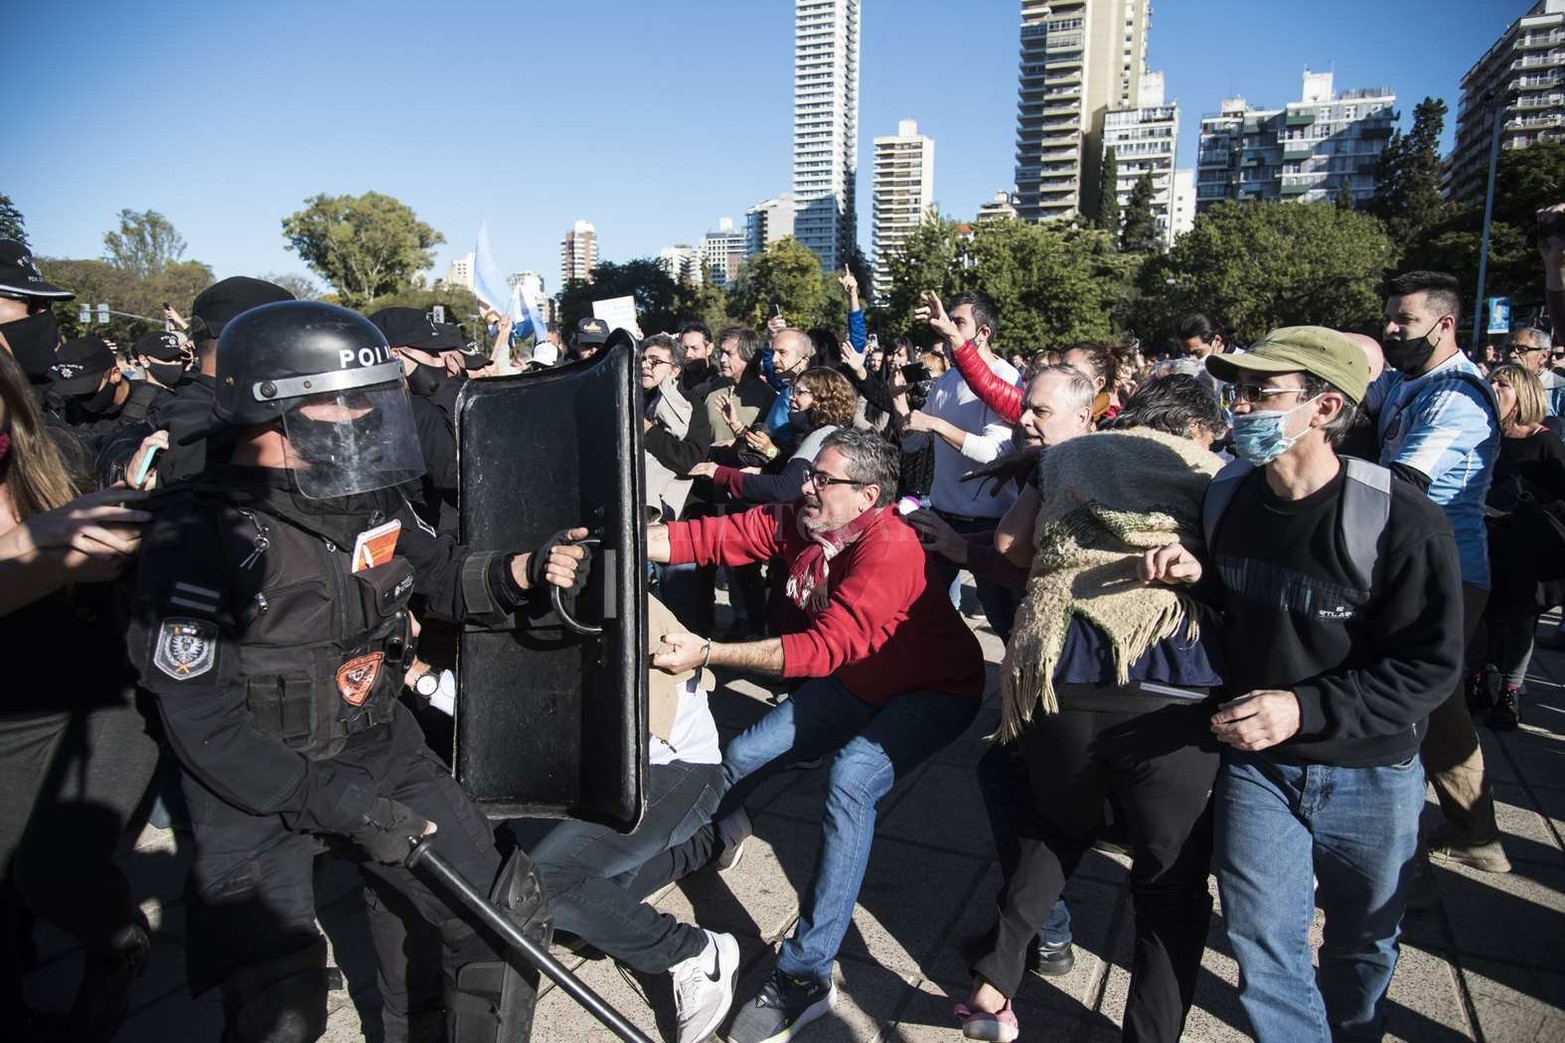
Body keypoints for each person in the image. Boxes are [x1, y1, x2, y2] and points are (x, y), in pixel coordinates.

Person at [123, 300, 588, 1043]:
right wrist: (340, 807)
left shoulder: (369, 496)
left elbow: (437, 573)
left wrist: (520, 571)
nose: (365, 415)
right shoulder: (195, 533)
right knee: (280, 1005)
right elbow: (201, 721)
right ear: (275, 409)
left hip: (375, 739)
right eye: (345, 398)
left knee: (495, 915)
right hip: (255, 777)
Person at [1143, 326, 1463, 1043]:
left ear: (1323, 408)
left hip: (1370, 771)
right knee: (1261, 945)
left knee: (1362, 941)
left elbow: (1430, 667)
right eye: (1237, 390)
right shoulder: (1225, 495)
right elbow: (1232, 614)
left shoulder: (1402, 520)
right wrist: (1200, 579)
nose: (1240, 407)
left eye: (1261, 392)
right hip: (1258, 767)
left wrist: (1302, 706)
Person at [646, 429, 987, 1043]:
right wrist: (619, 542)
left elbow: (826, 648)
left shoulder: (890, 547)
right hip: (863, 675)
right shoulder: (806, 522)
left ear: (867, 495)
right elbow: (713, 536)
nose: (806, 485)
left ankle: (804, 973)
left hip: (935, 688)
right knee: (744, 753)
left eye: (822, 480)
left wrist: (712, 652)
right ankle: (690, 840)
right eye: (811, 475)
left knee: (851, 777)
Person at [953, 375, 1226, 1043]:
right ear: (1196, 429)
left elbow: (1013, 547)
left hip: (1060, 668)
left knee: (1055, 821)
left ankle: (995, 980)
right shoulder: (1215, 470)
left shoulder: (1066, 457)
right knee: (1169, 882)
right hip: (1169, 678)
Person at [0, 342, 162, 1041]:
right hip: (11, 708)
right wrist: (31, 547)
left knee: (55, 869)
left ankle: (118, 943)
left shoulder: (52, 456)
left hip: (102, 693)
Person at [522, 595, 737, 1043]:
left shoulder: (615, 594)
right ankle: (712, 839)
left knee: (547, 880)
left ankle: (695, 953)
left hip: (676, 772)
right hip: (616, 777)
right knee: (593, 906)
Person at [1367, 270, 1508, 875]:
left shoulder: (1456, 397)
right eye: (1390, 317)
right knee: (1438, 702)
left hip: (1445, 573)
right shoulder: (1405, 380)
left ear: (1445, 324)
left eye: (1405, 320)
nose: (1392, 330)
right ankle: (1477, 834)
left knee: (1404, 706)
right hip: (1411, 563)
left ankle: (1398, 865)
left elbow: (1403, 484)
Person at [905, 290, 1022, 639]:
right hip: (941, 513)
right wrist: (901, 405)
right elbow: (916, 439)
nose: (946, 328)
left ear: (983, 333)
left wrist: (938, 426)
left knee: (1005, 624)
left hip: (988, 522)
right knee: (927, 615)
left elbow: (995, 454)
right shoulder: (947, 380)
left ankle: (1021, 690)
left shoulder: (1005, 376)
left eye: (958, 322)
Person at [1471, 363, 1565, 731]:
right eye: (1491, 380)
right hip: (1485, 537)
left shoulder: (1544, 440)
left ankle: (1510, 691)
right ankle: (1476, 680)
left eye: (1503, 383)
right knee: (1477, 612)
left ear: (1524, 394)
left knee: (1521, 621)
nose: (1493, 387)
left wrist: (1527, 498)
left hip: (1525, 548)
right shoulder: (1483, 434)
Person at [369, 306, 469, 535]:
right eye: (431, 353)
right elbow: (458, 481)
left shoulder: (352, 408)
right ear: (396, 355)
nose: (439, 361)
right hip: (427, 540)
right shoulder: (420, 411)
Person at [696, 366, 856, 507]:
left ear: (822, 401)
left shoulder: (821, 435)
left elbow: (785, 489)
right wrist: (739, 428)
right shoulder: (822, 431)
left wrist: (721, 474)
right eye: (793, 390)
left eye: (801, 393)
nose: (792, 397)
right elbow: (789, 465)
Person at [1503, 326, 1564, 417]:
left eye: (1522, 349)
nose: (1512, 354)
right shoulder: (1497, 385)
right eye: (1509, 349)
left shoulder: (1559, 390)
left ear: (1544, 355)